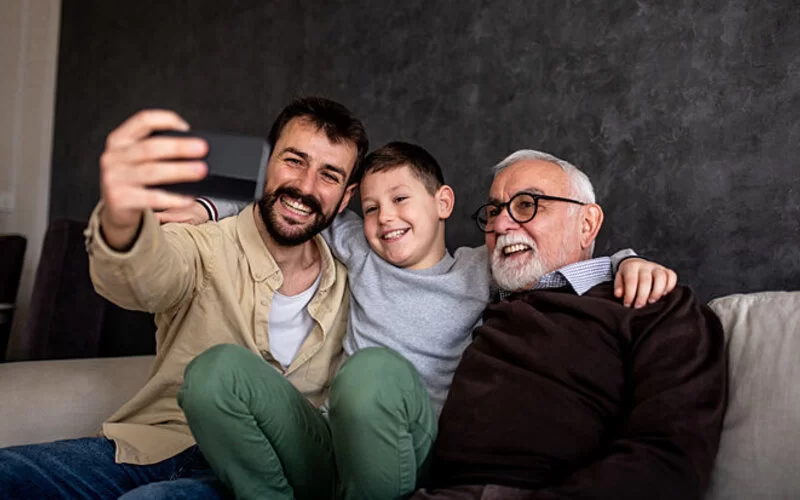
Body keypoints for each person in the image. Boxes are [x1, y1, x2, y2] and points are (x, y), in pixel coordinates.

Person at [175, 142, 678, 499]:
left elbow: (554, 257)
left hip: (407, 451)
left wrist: (627, 260)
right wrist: (205, 207)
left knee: (372, 371)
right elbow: (293, 211)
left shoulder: (481, 267)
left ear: (443, 204)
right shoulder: (359, 248)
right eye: (370, 208)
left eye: (399, 200)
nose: (384, 219)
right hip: (330, 444)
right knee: (213, 373)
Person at [0, 96, 368, 498]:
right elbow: (146, 276)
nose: (305, 186)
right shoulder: (203, 243)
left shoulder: (357, 285)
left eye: (329, 175)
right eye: (294, 161)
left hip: (258, 471)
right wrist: (122, 221)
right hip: (156, 446)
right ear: (267, 165)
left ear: (346, 197)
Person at [412, 150, 727, 500]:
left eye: (528, 204)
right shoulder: (480, 297)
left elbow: (669, 458)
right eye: (494, 210)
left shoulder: (656, 306)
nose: (501, 225)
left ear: (587, 224)